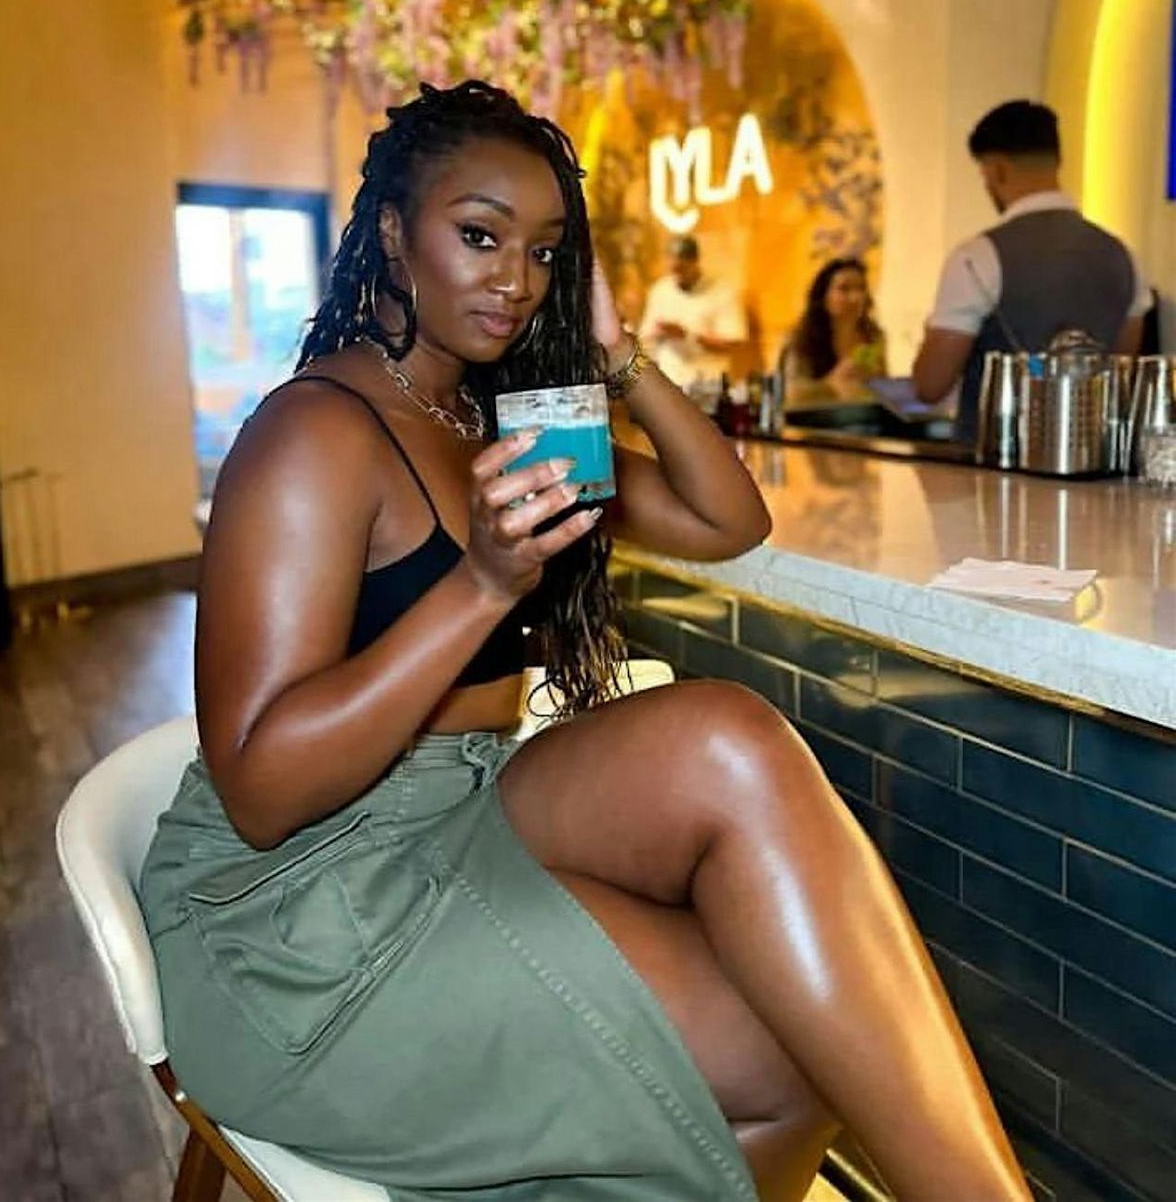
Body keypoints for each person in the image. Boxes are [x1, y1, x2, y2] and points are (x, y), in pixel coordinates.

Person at [140, 80, 1031, 1202]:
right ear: (391, 233)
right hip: (302, 916)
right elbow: (262, 791)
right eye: (480, 236)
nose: (517, 280)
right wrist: (480, 584)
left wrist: (618, 354)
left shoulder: (501, 418)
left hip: (463, 803)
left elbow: (728, 519)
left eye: (545, 252)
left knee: (731, 742)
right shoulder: (313, 432)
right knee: (788, 1062)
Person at [912, 99, 1150, 441]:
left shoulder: (976, 257)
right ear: (1057, 160)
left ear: (997, 170)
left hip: (994, 457)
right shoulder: (1123, 255)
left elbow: (930, 385)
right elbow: (1121, 367)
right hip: (1092, 456)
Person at [638, 233, 748, 389]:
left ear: (695, 262)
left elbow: (732, 343)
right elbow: (645, 336)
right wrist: (659, 333)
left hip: (708, 384)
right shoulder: (660, 290)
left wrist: (688, 336)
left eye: (681, 268)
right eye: (672, 269)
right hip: (670, 383)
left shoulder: (722, 292)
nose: (677, 274)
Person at [782, 257, 887, 389]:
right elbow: (790, 393)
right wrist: (831, 382)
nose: (856, 297)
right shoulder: (800, 342)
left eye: (861, 288)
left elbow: (883, 383)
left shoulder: (873, 336)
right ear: (823, 297)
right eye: (844, 289)